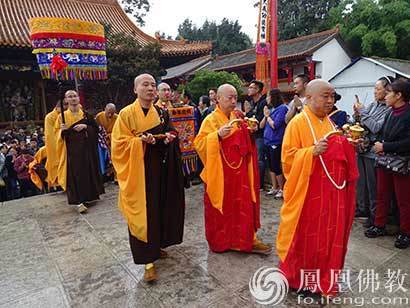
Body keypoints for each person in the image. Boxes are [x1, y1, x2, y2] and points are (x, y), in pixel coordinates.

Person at [276, 79, 359, 296]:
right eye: (325, 96)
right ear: (309, 97)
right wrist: (310, 152)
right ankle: (300, 279)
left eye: (332, 96)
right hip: (308, 195)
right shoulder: (297, 123)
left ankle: (322, 277)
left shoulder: (330, 124)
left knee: (327, 238)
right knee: (307, 239)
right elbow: (287, 159)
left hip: (331, 195)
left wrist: (348, 144)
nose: (330, 101)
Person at [111, 74, 185, 282]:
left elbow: (170, 131)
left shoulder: (162, 113)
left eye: (153, 85)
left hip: (159, 170)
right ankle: (147, 261)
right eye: (145, 85)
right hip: (139, 173)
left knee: (159, 209)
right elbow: (118, 146)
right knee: (142, 213)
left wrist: (168, 137)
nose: (151, 88)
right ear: (135, 89)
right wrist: (139, 142)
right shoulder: (125, 114)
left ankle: (157, 246)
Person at [194, 83, 271, 255]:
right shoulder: (211, 120)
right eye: (230, 97)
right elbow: (199, 144)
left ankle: (246, 239)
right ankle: (223, 241)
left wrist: (249, 130)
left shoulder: (238, 115)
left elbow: (245, 139)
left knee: (242, 205)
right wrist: (217, 136)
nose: (234, 100)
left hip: (241, 171)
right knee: (223, 208)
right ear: (218, 99)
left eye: (236, 97)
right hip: (221, 173)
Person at [365, 79, 410, 249]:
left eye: (389, 92)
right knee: (381, 195)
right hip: (385, 160)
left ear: (399, 95)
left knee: (403, 200)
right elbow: (384, 134)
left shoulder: (408, 113)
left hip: (402, 163)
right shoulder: (391, 112)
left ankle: (405, 233)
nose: (386, 95)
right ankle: (379, 225)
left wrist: (386, 146)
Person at [55, 90, 104, 213]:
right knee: (76, 174)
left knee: (88, 172)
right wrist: (62, 130)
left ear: (79, 98)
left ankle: (90, 196)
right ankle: (79, 200)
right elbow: (57, 136)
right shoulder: (62, 117)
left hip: (87, 150)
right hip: (73, 152)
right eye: (70, 97)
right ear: (66, 100)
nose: (73, 99)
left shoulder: (86, 115)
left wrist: (86, 127)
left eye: (75, 96)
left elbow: (96, 129)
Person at [354, 76, 392, 227]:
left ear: (387, 89)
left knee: (373, 186)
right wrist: (358, 114)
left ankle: (374, 215)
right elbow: (362, 123)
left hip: (374, 152)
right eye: (374, 88)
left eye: (378, 89)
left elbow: (376, 127)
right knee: (361, 184)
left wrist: (363, 112)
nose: (375, 92)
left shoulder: (388, 109)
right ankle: (362, 209)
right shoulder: (373, 105)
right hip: (363, 148)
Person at [260, 89, 287, 199]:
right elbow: (261, 126)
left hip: (276, 141)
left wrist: (267, 116)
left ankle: (282, 188)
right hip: (267, 140)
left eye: (268, 96)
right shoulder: (271, 110)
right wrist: (265, 115)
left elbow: (275, 125)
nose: (267, 99)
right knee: (270, 165)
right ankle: (274, 187)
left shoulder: (283, 109)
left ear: (273, 97)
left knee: (276, 166)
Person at [247, 80, 267, 189]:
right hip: (253, 134)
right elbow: (250, 115)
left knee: (260, 159)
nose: (249, 89)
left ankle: (260, 183)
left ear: (258, 90)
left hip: (261, 135)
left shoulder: (263, 102)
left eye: (251, 87)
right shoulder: (253, 102)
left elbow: (260, 118)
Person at [44, 100, 67, 190]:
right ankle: (59, 185)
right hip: (56, 145)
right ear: (58, 107)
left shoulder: (66, 114)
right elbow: (51, 135)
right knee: (57, 164)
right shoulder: (50, 117)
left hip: (66, 143)